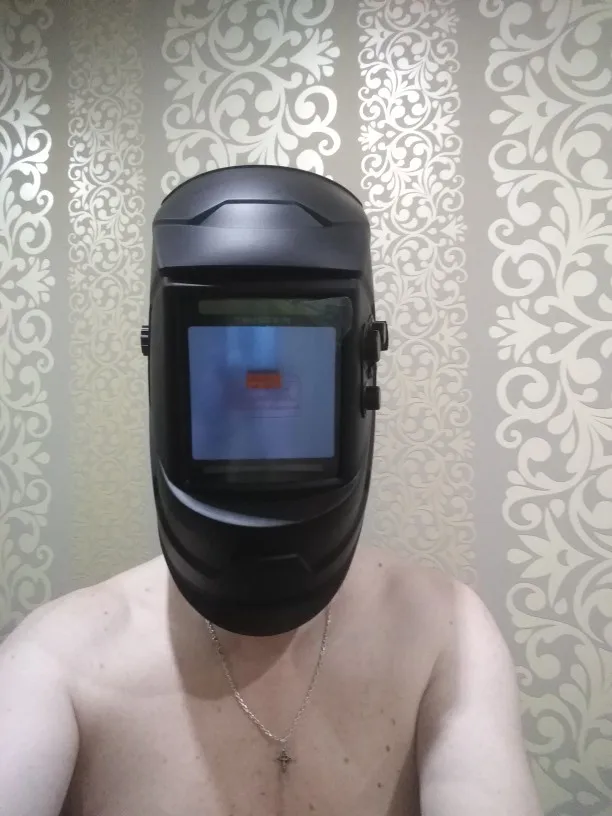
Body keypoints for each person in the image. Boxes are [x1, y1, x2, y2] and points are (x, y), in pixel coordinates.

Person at [0, 167, 543, 815]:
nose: (257, 407)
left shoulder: (445, 634)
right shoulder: (57, 658)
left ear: (363, 374)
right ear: (165, 370)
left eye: (286, 372)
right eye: (228, 378)